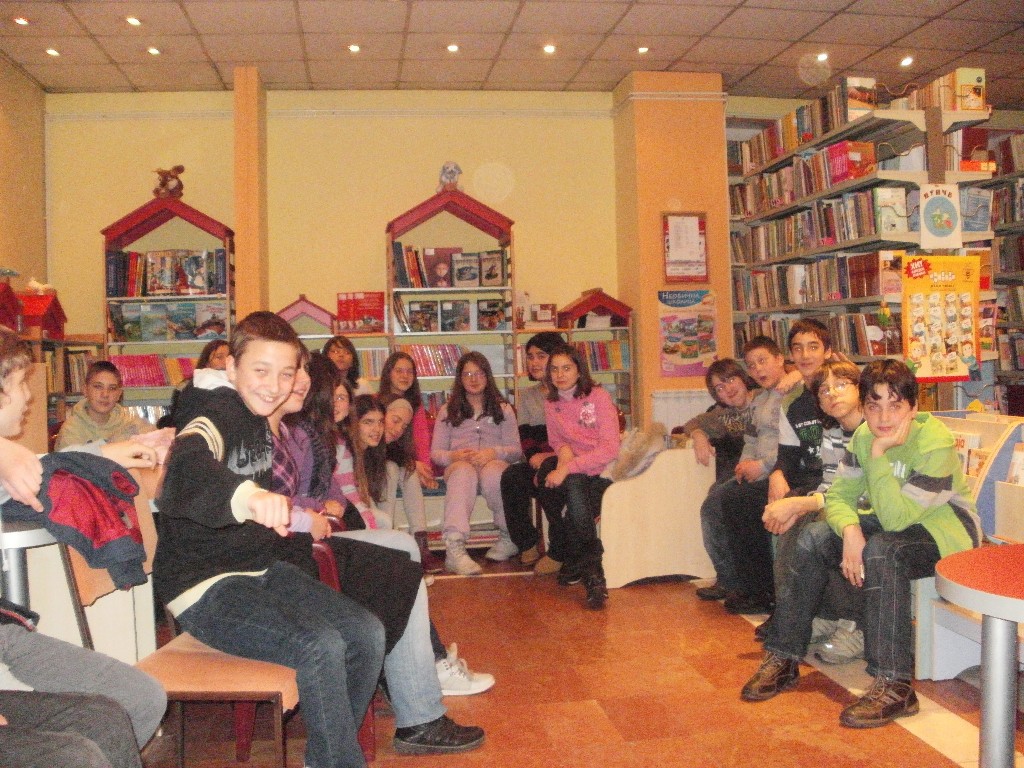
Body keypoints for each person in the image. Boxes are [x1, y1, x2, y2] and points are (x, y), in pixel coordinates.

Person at [153, 311, 387, 768]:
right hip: (203, 587)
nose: (274, 386)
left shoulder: (257, 413)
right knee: (320, 643)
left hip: (259, 571)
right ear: (231, 367)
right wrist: (248, 496)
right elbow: (186, 470)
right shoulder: (213, 411)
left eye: (285, 373)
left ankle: (328, 758)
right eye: (261, 371)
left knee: (366, 633)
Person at [741, 360, 981, 729]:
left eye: (895, 405)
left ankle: (895, 684)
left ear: (914, 407)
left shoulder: (934, 442)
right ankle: (784, 655)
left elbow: (898, 520)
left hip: (945, 532)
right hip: (888, 521)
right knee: (816, 536)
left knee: (884, 549)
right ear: (864, 406)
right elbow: (840, 496)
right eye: (874, 405)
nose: (883, 417)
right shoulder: (864, 436)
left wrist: (879, 454)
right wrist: (850, 530)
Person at [276, 357, 494, 699]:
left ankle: (420, 667)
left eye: (344, 396)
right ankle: (425, 667)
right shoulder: (301, 435)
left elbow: (332, 491)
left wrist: (329, 504)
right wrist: (320, 507)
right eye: (334, 394)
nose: (341, 402)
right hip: (310, 544)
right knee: (399, 560)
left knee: (403, 552)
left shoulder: (319, 435)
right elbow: (288, 499)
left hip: (323, 532)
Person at [0, 327, 166, 768]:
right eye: (20, 384)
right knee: (79, 754)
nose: (29, 397)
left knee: (141, 699)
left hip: (6, 631)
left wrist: (110, 454)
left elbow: (44, 468)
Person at [720, 320, 832, 615]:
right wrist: (778, 474)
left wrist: (773, 472)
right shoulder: (792, 400)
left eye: (813, 347)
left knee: (784, 518)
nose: (805, 355)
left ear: (828, 352)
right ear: (791, 354)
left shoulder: (836, 391)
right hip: (802, 474)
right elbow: (787, 449)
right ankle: (761, 591)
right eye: (799, 348)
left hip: (826, 480)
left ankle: (786, 607)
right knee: (734, 499)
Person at [758, 359, 866, 660]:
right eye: (824, 390)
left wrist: (799, 504)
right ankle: (825, 613)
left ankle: (857, 624)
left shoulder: (871, 429)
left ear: (860, 389)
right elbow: (831, 483)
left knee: (820, 531)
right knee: (801, 525)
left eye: (841, 385)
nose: (833, 394)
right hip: (843, 504)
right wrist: (799, 508)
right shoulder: (832, 432)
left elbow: (861, 495)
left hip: (872, 512)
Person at [535, 344, 620, 610]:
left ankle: (587, 570)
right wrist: (563, 456)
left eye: (566, 368)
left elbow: (609, 449)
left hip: (602, 468)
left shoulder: (598, 397)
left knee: (574, 493)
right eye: (554, 369)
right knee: (547, 481)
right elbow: (556, 440)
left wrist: (567, 468)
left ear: (579, 370)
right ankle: (586, 567)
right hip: (574, 465)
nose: (560, 375)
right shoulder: (551, 403)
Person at [430, 352, 522, 576]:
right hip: (460, 466)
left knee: (495, 473)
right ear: (460, 379)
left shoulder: (504, 409)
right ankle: (454, 547)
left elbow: (516, 451)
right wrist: (455, 456)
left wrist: (494, 452)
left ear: (487, 376)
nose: (473, 379)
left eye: (479, 373)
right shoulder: (447, 410)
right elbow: (436, 454)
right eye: (467, 374)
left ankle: (507, 536)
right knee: (464, 473)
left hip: (493, 464)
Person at [682, 356, 762, 602]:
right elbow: (692, 423)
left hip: (765, 468)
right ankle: (728, 579)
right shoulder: (723, 415)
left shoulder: (763, 399)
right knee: (713, 502)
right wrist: (699, 436)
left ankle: (732, 581)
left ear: (743, 378)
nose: (727, 389)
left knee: (715, 504)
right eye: (719, 387)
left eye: (730, 380)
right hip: (740, 472)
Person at [498, 331, 564, 570]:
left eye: (541, 356)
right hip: (538, 459)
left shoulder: (570, 392)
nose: (534, 362)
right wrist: (534, 456)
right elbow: (525, 436)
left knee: (548, 473)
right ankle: (527, 542)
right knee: (512, 476)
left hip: (566, 461)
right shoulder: (527, 395)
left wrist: (549, 457)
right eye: (530, 356)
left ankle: (559, 549)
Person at [381, 397, 445, 573]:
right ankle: (384, 540)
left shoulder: (394, 447)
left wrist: (413, 464)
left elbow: (400, 457)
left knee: (408, 469)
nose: (398, 430)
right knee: (391, 468)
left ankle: (420, 540)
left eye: (403, 427)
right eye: (395, 420)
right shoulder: (367, 435)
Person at [56, 360, 155, 449]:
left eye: (112, 388)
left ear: (119, 394)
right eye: (98, 387)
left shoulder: (132, 425)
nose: (105, 394)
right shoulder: (71, 430)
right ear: (85, 390)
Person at [377, 351, 439, 493]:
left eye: (409, 372)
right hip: (383, 462)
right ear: (388, 373)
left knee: (411, 475)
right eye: (399, 371)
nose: (405, 376)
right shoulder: (377, 403)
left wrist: (425, 472)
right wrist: (411, 464)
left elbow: (421, 441)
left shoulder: (416, 406)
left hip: (408, 463)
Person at [158, 338, 229, 429]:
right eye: (219, 357)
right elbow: (179, 418)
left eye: (229, 357)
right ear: (206, 362)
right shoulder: (187, 386)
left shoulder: (239, 385)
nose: (226, 362)